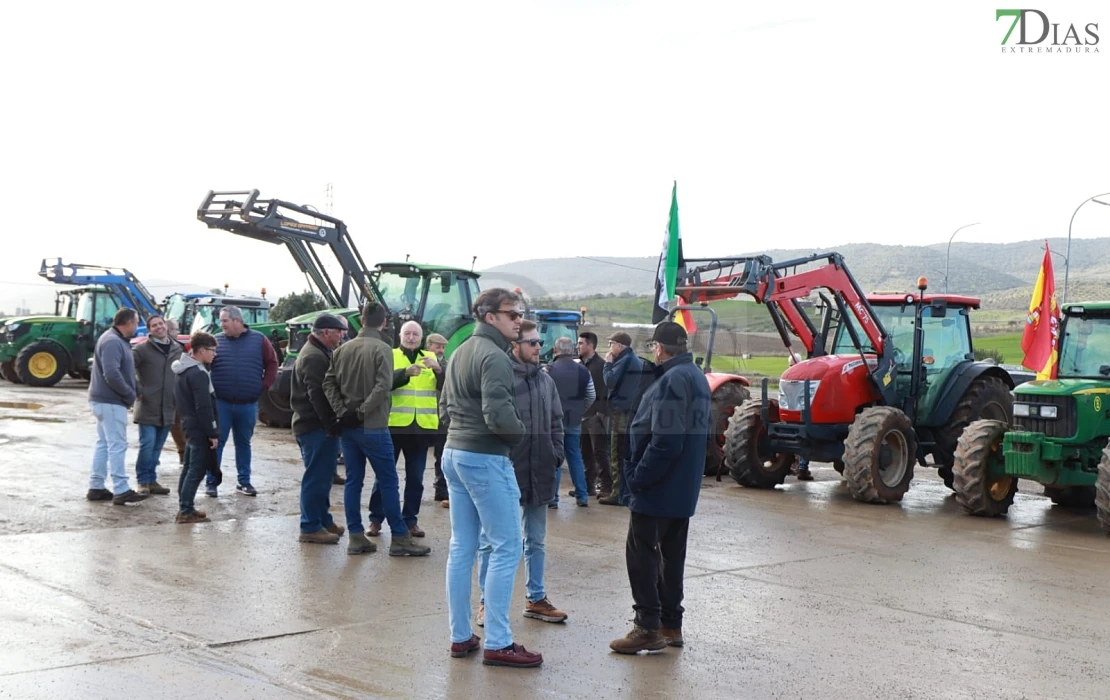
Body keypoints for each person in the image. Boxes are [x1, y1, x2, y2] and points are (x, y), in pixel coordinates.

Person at [441, 288, 542, 668]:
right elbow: (500, 417)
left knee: (462, 547)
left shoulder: (461, 351)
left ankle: (460, 636)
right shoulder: (494, 357)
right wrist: (520, 434)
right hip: (483, 456)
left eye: (519, 314)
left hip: (456, 453)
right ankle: (498, 641)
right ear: (489, 317)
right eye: (512, 314)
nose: (519, 320)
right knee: (506, 547)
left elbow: (447, 407)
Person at [610, 322, 711, 654]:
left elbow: (666, 441)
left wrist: (638, 477)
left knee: (641, 556)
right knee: (671, 556)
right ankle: (670, 624)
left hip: (658, 487)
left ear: (659, 348)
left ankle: (647, 627)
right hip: (681, 488)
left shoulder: (671, 380)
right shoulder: (694, 375)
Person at [477, 320, 567, 627]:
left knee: (537, 540)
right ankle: (486, 603)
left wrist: (557, 452)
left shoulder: (546, 381)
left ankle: (536, 598)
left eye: (540, 342)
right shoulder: (499, 377)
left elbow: (557, 421)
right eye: (532, 343)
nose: (539, 347)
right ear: (514, 346)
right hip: (505, 470)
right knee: (491, 541)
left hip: (541, 469)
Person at [324, 301, 430, 557]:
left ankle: (356, 536)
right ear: (384, 322)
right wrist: (361, 412)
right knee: (388, 481)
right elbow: (382, 387)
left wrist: (343, 412)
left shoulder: (342, 349)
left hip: (349, 428)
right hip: (374, 426)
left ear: (361, 320)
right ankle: (400, 538)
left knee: (353, 482)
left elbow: (328, 383)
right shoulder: (382, 348)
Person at [367, 320, 443, 538]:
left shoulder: (431, 358)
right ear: (400, 336)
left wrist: (438, 369)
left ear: (422, 338)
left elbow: (447, 386)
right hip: (393, 425)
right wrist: (403, 374)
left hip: (421, 428)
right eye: (407, 334)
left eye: (415, 335)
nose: (411, 338)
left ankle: (410, 520)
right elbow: (380, 384)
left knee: (416, 479)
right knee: (384, 476)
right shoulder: (390, 355)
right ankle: (375, 520)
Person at [206, 306, 279, 498]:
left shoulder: (259, 340)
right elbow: (203, 363)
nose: (221, 325)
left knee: (243, 443)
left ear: (237, 321)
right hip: (221, 403)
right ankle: (211, 482)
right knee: (216, 443)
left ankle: (244, 482)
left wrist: (264, 385)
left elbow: (272, 363)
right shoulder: (216, 340)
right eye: (221, 321)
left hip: (248, 404)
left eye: (225, 321)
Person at [292, 314, 348, 545]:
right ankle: (310, 526)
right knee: (316, 477)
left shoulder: (318, 351)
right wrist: (332, 425)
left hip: (315, 426)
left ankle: (323, 519)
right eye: (340, 332)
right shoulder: (314, 357)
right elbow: (318, 396)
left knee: (323, 477)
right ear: (326, 332)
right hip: (315, 427)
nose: (343, 336)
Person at [85, 308, 148, 506]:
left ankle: (96, 486)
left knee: (104, 443)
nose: (137, 327)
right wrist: (129, 395)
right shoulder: (113, 341)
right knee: (117, 445)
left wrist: (135, 387)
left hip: (104, 400)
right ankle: (121, 489)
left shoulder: (115, 339)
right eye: (136, 322)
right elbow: (111, 373)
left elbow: (122, 370)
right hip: (110, 402)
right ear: (128, 322)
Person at [132, 314, 184, 495]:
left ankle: (152, 480)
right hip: (148, 405)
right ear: (149, 330)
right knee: (147, 444)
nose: (159, 327)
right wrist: (139, 389)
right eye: (154, 325)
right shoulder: (141, 350)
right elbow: (126, 368)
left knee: (157, 446)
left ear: (166, 326)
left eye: (161, 323)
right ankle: (142, 481)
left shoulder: (178, 349)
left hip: (169, 406)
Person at [172, 331, 220, 524]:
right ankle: (185, 511)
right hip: (199, 428)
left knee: (189, 467)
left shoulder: (182, 369)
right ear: (200, 351)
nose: (214, 354)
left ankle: (186, 506)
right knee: (196, 470)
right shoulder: (198, 373)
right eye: (212, 351)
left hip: (188, 425)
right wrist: (212, 432)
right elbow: (204, 406)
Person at [549, 336, 595, 507]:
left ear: (556, 350)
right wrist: (580, 411)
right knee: (575, 456)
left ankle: (553, 499)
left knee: (555, 459)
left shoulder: (549, 370)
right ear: (572, 350)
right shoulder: (584, 371)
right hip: (574, 420)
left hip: (553, 421)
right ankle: (582, 496)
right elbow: (591, 395)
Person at [599, 331, 642, 506]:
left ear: (619, 345)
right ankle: (624, 492)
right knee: (626, 452)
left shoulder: (624, 361)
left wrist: (607, 364)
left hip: (621, 412)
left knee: (617, 452)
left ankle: (617, 493)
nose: (609, 347)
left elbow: (610, 381)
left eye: (611, 343)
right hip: (630, 410)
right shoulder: (635, 360)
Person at [577, 332, 608, 497]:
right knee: (585, 453)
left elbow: (603, 391)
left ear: (590, 345)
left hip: (595, 416)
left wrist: (599, 414)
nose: (578, 346)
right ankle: (587, 486)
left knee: (599, 452)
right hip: (582, 415)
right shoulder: (581, 365)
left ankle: (606, 486)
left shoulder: (601, 366)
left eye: (581, 343)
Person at [426, 332, 451, 507]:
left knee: (441, 455)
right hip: (422, 417)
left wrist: (439, 370)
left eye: (443, 347)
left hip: (441, 417)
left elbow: (448, 385)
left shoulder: (446, 365)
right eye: (437, 346)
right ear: (429, 346)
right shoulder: (419, 363)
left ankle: (441, 491)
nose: (441, 350)